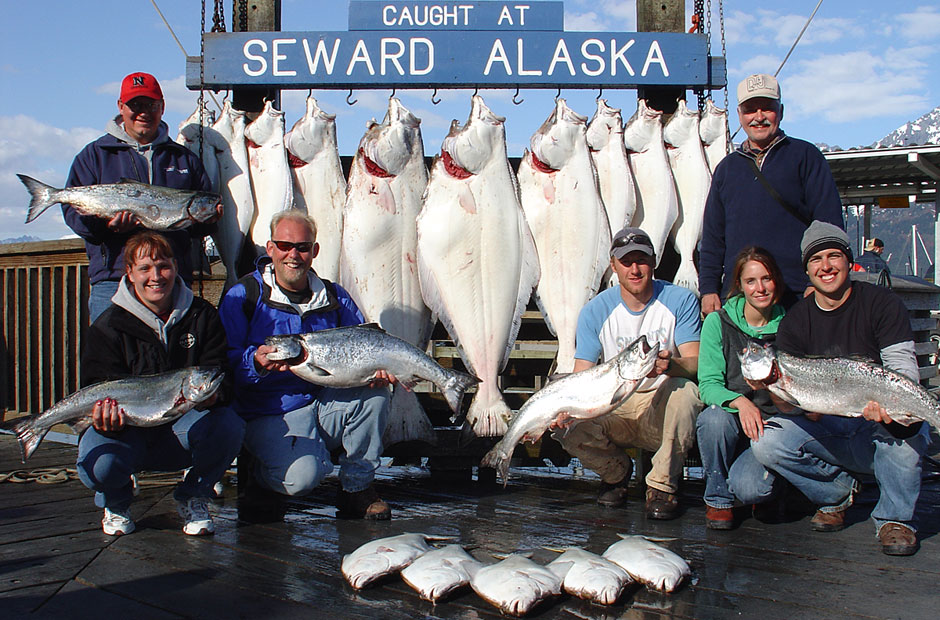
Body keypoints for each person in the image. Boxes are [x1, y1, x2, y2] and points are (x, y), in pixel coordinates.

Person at [749, 221, 929, 556]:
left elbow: (903, 370)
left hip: (879, 421)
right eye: (816, 260)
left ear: (849, 262)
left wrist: (890, 411)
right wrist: (772, 387)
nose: (826, 266)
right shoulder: (796, 321)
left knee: (910, 433)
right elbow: (790, 408)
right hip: (829, 424)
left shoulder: (882, 304)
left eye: (834, 256)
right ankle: (836, 495)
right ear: (807, 270)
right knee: (767, 441)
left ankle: (895, 520)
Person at [218, 211, 395, 520]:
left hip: (324, 401)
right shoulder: (243, 295)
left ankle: (357, 488)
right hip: (271, 410)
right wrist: (254, 364)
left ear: (314, 251)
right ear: (270, 249)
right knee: (301, 480)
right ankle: (261, 478)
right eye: (285, 245)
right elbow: (222, 361)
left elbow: (362, 343)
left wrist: (374, 370)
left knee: (376, 395)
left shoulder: (335, 296)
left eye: (302, 247)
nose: (293, 255)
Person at [76, 231, 244, 536]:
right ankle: (116, 501)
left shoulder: (202, 316)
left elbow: (222, 374)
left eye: (164, 266)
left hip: (179, 431)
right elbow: (95, 384)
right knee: (98, 462)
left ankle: (195, 494)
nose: (156, 276)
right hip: (126, 433)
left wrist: (214, 397)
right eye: (145, 268)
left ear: (176, 266)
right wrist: (102, 421)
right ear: (129, 273)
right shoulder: (108, 325)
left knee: (229, 425)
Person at [553, 227, 702, 520]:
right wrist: (564, 410)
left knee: (687, 392)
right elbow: (581, 374)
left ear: (654, 262)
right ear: (613, 265)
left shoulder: (681, 300)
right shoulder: (595, 310)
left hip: (659, 403)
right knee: (566, 425)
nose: (634, 269)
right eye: (626, 262)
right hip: (614, 405)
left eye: (641, 260)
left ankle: (662, 485)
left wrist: (670, 366)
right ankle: (615, 473)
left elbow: (695, 362)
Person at [62, 71, 219, 322]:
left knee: (173, 358)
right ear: (121, 107)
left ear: (162, 107)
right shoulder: (93, 156)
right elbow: (74, 216)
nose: (143, 112)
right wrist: (106, 226)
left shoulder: (184, 158)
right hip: (113, 279)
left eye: (150, 104)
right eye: (135, 105)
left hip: (171, 280)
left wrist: (209, 220)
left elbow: (196, 227)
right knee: (111, 358)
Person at [699, 73, 844, 314]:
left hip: (797, 295)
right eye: (750, 110)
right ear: (739, 115)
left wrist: (814, 284)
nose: (758, 117)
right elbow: (713, 236)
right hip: (739, 298)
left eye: (767, 108)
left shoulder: (806, 156)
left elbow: (828, 226)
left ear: (781, 111)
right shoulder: (726, 168)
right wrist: (708, 289)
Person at [695, 246, 786, 530]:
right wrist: (740, 402)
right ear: (740, 285)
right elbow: (708, 384)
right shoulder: (717, 322)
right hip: (733, 420)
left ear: (777, 282)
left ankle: (770, 486)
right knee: (711, 420)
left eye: (766, 279)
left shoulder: (792, 324)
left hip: (775, 424)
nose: (760, 288)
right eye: (751, 281)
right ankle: (718, 499)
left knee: (751, 489)